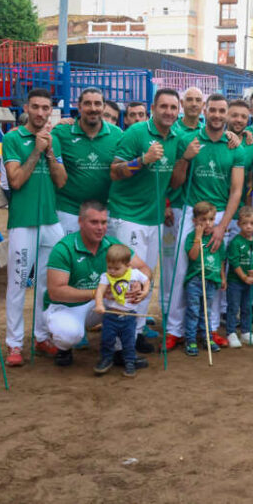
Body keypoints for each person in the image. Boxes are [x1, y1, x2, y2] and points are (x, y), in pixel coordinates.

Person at [165, 94, 245, 351]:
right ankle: (175, 329)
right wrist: (185, 158)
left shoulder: (235, 146)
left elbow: (236, 190)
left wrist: (222, 226)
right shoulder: (187, 139)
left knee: (214, 271)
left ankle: (209, 329)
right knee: (181, 271)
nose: (218, 115)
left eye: (223, 111)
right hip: (192, 211)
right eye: (213, 110)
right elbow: (175, 182)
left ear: (228, 115)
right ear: (204, 110)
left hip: (220, 214)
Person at [108, 88, 184, 353]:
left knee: (145, 278)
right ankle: (119, 346)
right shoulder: (137, 133)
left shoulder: (176, 137)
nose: (168, 112)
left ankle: (136, 332)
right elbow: (115, 172)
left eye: (173, 108)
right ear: (153, 108)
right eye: (163, 106)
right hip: (128, 217)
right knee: (126, 279)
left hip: (154, 219)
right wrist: (142, 160)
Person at [2, 88, 68, 366]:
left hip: (50, 222)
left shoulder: (53, 140)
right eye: (36, 107)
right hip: (23, 222)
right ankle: (14, 344)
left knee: (47, 284)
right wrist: (36, 152)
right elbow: (15, 181)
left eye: (46, 108)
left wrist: (50, 152)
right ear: (26, 108)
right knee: (18, 283)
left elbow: (61, 181)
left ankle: (42, 337)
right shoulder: (12, 138)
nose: (41, 113)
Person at [45, 201, 152, 367]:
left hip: (101, 304)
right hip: (68, 306)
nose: (100, 227)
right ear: (80, 222)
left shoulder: (112, 244)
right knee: (69, 334)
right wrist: (96, 293)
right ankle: (63, 348)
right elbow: (56, 292)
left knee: (127, 296)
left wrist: (140, 285)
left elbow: (144, 268)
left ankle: (119, 350)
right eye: (94, 222)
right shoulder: (64, 248)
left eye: (103, 222)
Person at [52, 87, 123, 235]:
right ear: (79, 107)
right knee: (69, 256)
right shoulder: (62, 132)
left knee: (102, 258)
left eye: (97, 104)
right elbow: (40, 138)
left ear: (103, 107)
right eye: (87, 104)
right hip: (69, 211)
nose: (93, 108)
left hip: (103, 213)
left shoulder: (117, 135)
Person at [92, 243, 149, 377]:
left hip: (129, 317)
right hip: (110, 316)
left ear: (128, 265)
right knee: (107, 340)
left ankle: (129, 362)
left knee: (129, 342)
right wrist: (99, 305)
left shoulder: (134, 274)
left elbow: (146, 281)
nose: (112, 271)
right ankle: (106, 359)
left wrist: (145, 292)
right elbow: (99, 291)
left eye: (116, 268)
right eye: (109, 267)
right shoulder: (106, 277)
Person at [182, 201, 226, 357]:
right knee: (193, 311)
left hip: (211, 280)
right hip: (195, 280)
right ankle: (191, 339)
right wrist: (198, 238)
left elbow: (221, 259)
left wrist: (222, 277)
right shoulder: (192, 237)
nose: (207, 223)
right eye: (203, 220)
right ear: (195, 221)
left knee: (206, 311)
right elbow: (193, 256)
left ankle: (206, 337)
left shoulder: (217, 238)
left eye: (211, 219)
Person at [225, 205, 253, 348]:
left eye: (252, 224)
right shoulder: (235, 242)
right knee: (233, 307)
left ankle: (246, 332)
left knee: (247, 307)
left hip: (250, 282)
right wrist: (244, 277)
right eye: (245, 223)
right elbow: (234, 262)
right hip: (236, 281)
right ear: (238, 224)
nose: (248, 227)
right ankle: (231, 332)